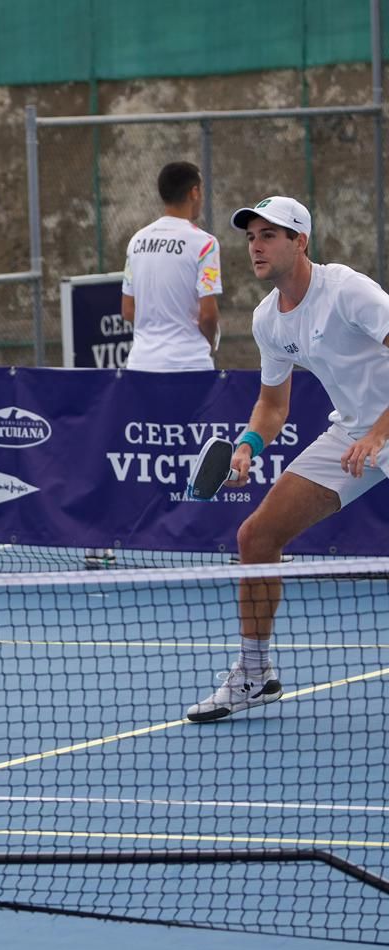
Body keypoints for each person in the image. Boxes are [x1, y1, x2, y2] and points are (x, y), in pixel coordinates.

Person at [186, 196, 389, 723]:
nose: (256, 245)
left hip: (380, 429)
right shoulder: (267, 320)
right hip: (353, 432)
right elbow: (272, 406)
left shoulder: (347, 290)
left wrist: (380, 435)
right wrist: (248, 448)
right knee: (257, 537)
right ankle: (254, 673)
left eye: (269, 235)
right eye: (251, 236)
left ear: (300, 241)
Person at [87, 160, 223, 568]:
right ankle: (233, 542)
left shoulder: (136, 242)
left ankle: (101, 543)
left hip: (142, 365)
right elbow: (208, 313)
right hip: (191, 368)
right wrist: (210, 341)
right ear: (195, 192)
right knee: (208, 455)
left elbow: (128, 310)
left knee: (132, 454)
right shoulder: (204, 243)